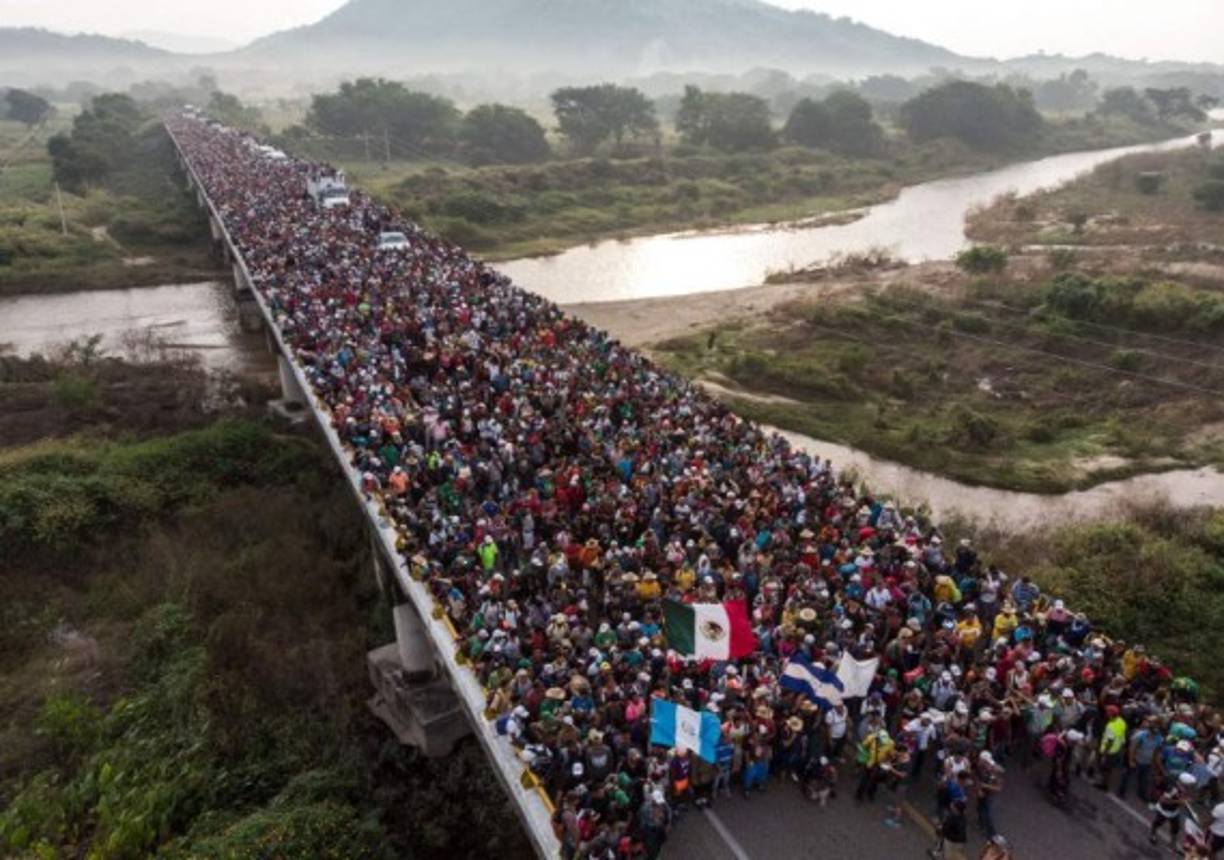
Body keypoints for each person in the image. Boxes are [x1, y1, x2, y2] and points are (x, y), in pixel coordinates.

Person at [1150, 772, 1195, 850]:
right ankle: (1152, 834)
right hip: (1165, 811)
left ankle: (1172, 844)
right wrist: (1179, 802)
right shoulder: (1172, 789)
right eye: (1190, 784)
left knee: (1175, 829)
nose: (1191, 786)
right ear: (1184, 783)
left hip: (1174, 812)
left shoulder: (1184, 789)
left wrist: (1185, 800)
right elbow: (1163, 800)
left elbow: (1182, 797)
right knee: (1157, 823)